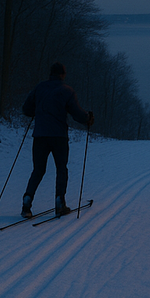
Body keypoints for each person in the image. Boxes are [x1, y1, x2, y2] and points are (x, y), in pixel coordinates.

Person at [20, 62, 94, 218]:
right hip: (58, 136)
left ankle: (27, 201)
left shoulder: (39, 87)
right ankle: (60, 202)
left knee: (38, 170)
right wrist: (88, 118)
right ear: (63, 74)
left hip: (39, 136)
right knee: (61, 168)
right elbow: (77, 114)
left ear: (50, 74)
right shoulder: (67, 91)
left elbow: (26, 109)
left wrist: (39, 110)